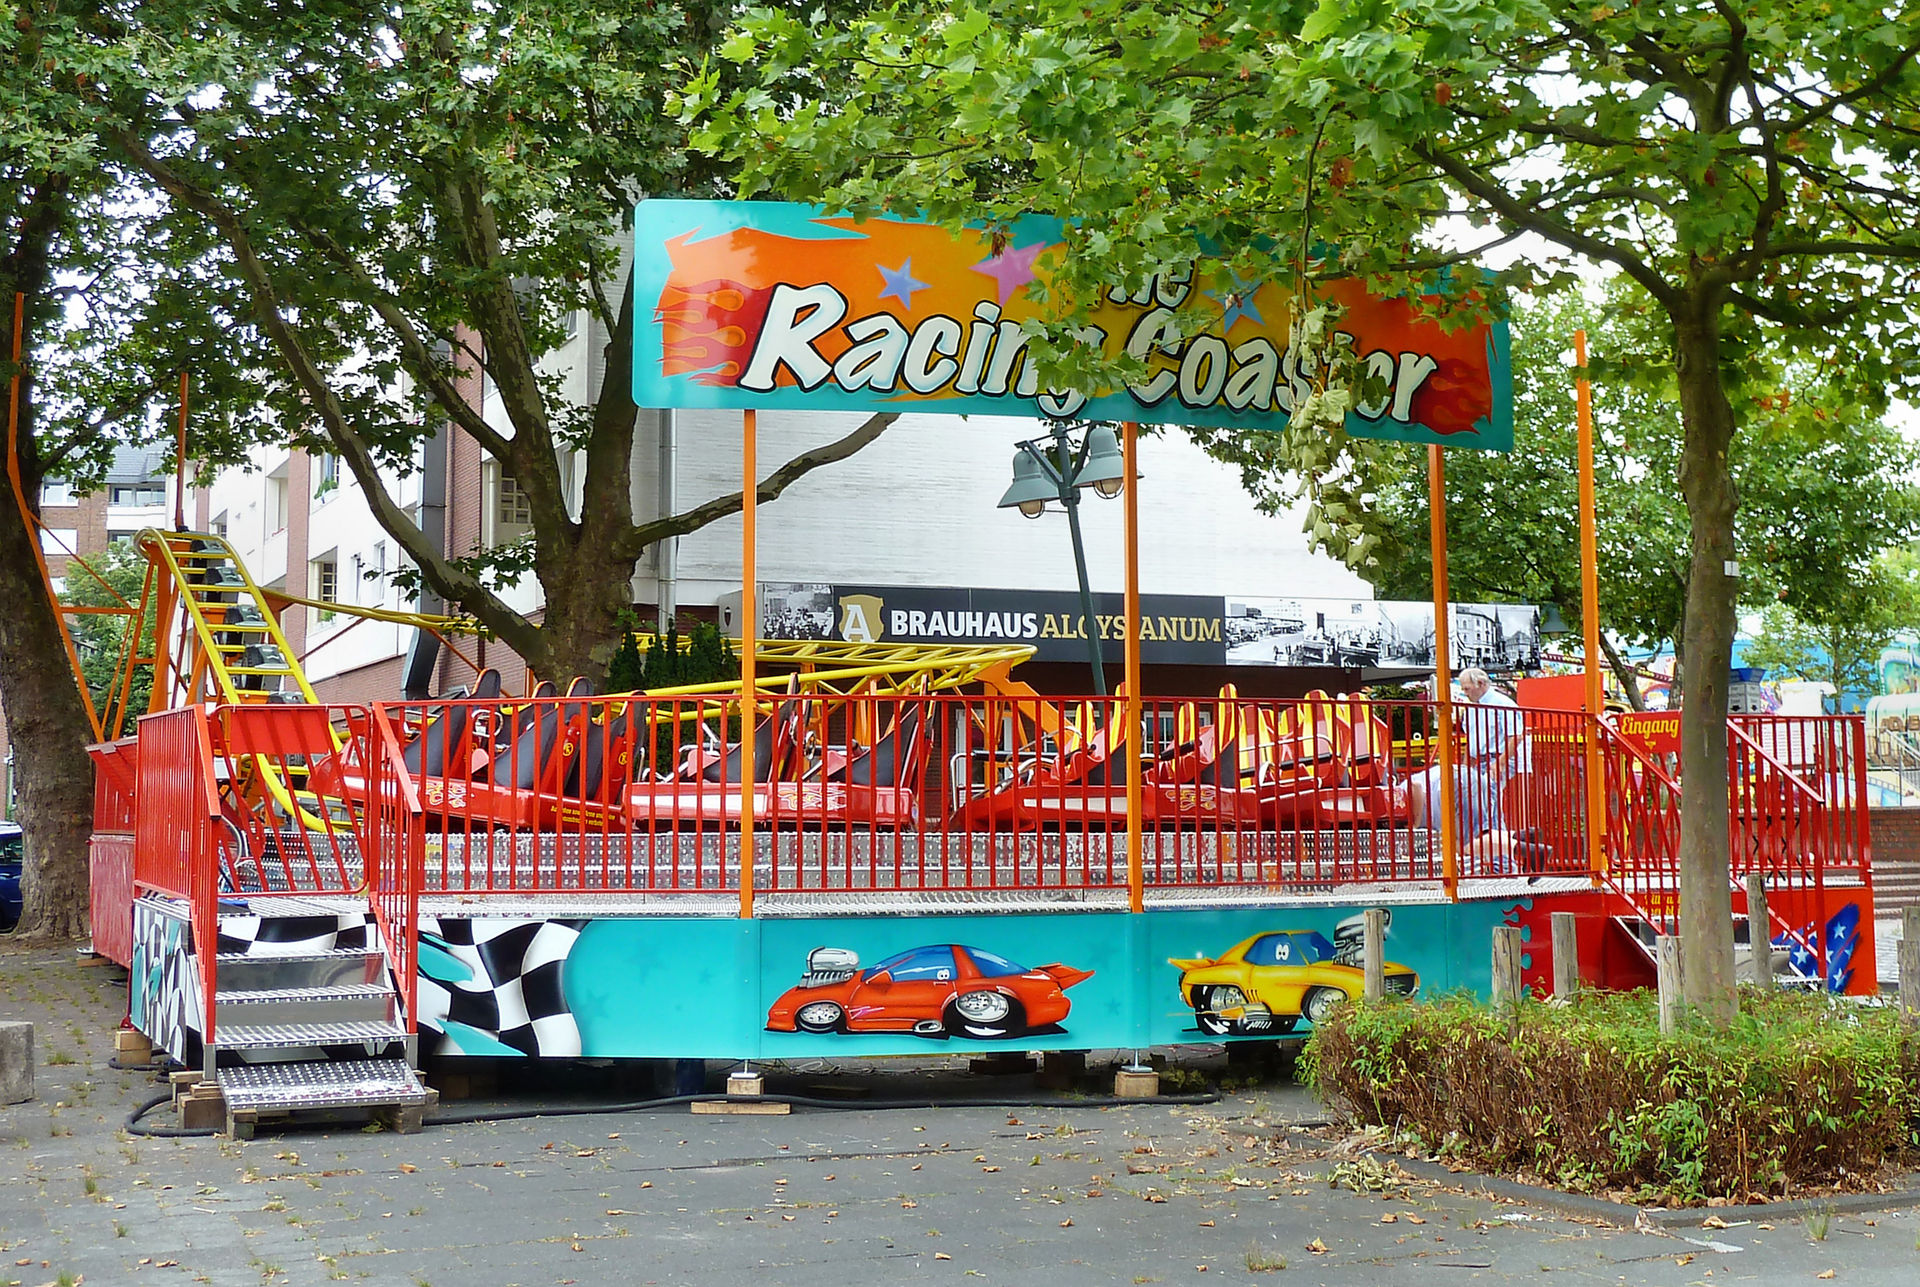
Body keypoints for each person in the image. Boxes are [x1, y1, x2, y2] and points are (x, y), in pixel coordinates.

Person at [1408, 668, 1541, 873]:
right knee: (1484, 807)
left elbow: (1516, 735)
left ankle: (1505, 863)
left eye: (1467, 688)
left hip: (1496, 758)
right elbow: (1471, 742)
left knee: (1487, 807)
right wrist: (1465, 768)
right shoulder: (1471, 708)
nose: (1465, 692)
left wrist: (1500, 763)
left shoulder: (1502, 704)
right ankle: (1514, 845)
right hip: (1482, 760)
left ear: (1481, 684)